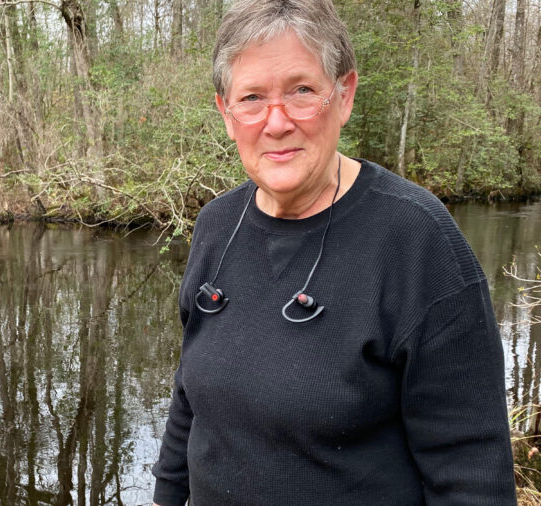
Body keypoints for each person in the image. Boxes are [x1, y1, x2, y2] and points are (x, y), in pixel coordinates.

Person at [151, 0, 516, 504]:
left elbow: (472, 472)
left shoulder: (417, 239)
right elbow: (190, 399)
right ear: (227, 113)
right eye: (252, 98)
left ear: (343, 95)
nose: (276, 122)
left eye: (302, 91)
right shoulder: (216, 224)